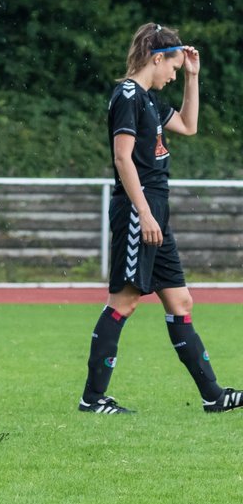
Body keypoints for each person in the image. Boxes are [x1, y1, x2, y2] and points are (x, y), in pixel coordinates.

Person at [77, 23, 242, 415]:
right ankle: (93, 399)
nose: (173, 74)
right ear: (157, 58)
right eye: (173, 66)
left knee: (181, 301)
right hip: (140, 211)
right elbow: (122, 158)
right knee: (124, 301)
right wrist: (145, 213)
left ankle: (213, 396)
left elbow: (188, 125)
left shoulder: (148, 99)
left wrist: (192, 77)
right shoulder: (128, 95)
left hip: (155, 212)